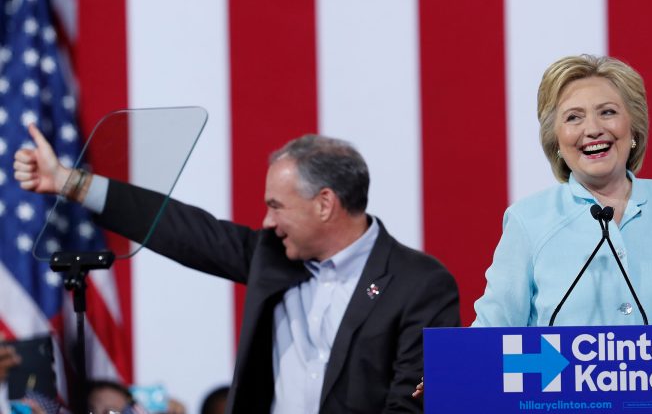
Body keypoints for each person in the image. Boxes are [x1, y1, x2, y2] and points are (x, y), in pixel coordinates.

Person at [14, 132, 460, 413]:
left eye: (277, 206)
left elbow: (418, 402)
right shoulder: (272, 257)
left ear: (325, 203)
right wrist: (72, 183)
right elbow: (181, 229)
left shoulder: (421, 284)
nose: (267, 221)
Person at [472, 54, 652, 327]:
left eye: (608, 112)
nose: (593, 129)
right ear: (555, 140)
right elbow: (487, 338)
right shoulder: (528, 221)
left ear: (633, 128)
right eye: (574, 117)